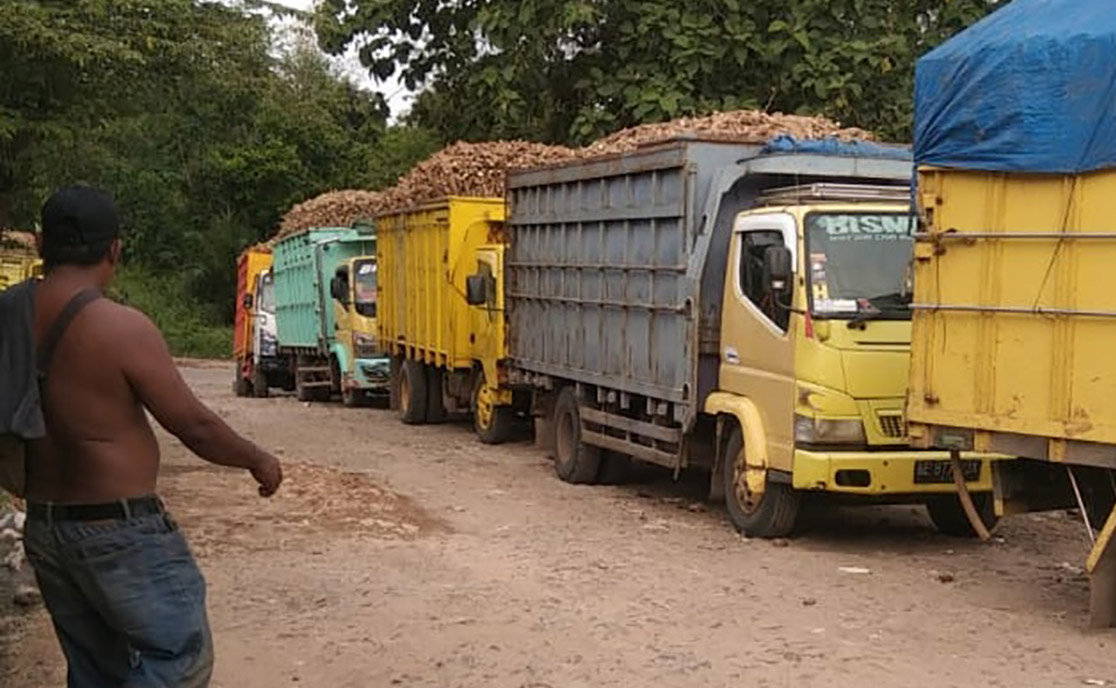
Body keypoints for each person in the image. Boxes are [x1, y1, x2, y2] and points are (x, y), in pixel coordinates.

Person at [19, 186, 283, 687]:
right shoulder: (118, 326)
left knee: (96, 670)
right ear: (114, 250)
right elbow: (194, 425)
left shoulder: (9, 318)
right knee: (178, 659)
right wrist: (257, 459)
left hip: (46, 527)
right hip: (117, 529)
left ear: (38, 245)